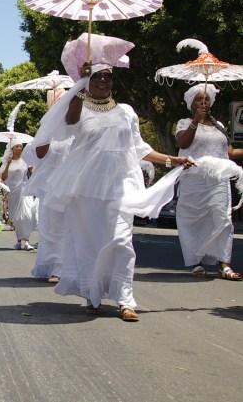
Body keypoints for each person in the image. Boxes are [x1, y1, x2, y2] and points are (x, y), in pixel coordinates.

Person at [33, 33, 195, 322]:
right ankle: (92, 295)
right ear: (88, 82)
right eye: (97, 77)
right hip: (86, 190)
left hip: (121, 185)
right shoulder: (79, 108)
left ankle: (124, 298)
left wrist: (173, 159)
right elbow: (67, 122)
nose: (103, 81)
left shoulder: (127, 112)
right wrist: (80, 84)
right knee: (90, 244)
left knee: (121, 240)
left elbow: (139, 149)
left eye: (107, 76)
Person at [175, 84, 243, 280]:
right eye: (199, 99)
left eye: (206, 99)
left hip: (219, 179)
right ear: (191, 103)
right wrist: (196, 121)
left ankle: (224, 264)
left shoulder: (220, 126)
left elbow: (229, 153)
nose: (203, 102)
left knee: (223, 218)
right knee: (193, 221)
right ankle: (196, 263)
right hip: (194, 179)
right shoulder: (183, 122)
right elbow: (183, 143)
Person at [24, 87, 72, 283]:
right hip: (50, 185)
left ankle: (70, 268)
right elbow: (39, 153)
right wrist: (49, 127)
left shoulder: (79, 125)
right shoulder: (48, 127)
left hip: (74, 183)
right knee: (51, 228)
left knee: (72, 227)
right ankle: (54, 268)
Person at [0, 142, 38, 251]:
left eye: (21, 146)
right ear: (12, 148)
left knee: (28, 214)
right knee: (16, 217)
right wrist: (7, 164)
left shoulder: (26, 160)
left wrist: (38, 166)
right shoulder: (7, 161)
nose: (19, 148)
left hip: (25, 189)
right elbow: (3, 177)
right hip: (13, 191)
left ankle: (26, 240)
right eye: (17, 146)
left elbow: (32, 171)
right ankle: (19, 241)